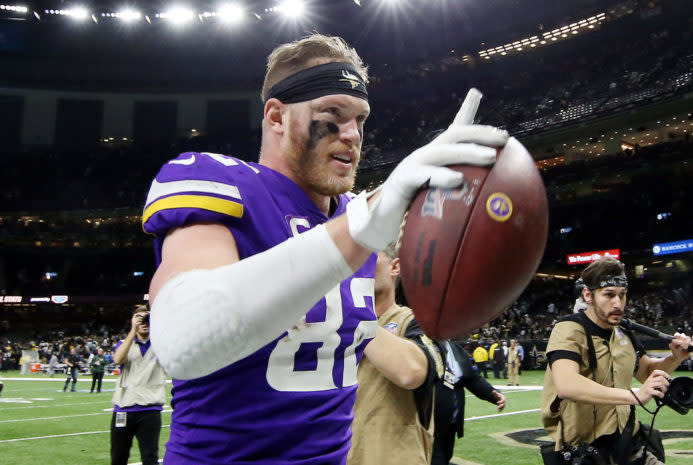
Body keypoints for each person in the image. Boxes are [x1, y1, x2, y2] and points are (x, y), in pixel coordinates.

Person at [142, 33, 509, 465]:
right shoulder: (218, 182)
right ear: (277, 117)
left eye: (360, 119)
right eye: (331, 114)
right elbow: (183, 340)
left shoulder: (356, 215)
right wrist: (365, 223)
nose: (352, 134)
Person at [540, 257, 693, 465]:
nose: (618, 304)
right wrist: (635, 396)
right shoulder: (568, 328)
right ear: (588, 295)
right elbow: (567, 385)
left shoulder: (624, 332)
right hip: (586, 451)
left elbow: (646, 372)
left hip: (628, 444)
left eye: (622, 295)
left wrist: (675, 357)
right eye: (609, 295)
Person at [348, 247, 443, 465]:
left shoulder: (416, 321)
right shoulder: (332, 326)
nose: (358, 263)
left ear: (395, 267)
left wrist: (354, 314)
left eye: (369, 254)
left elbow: (411, 372)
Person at [432, 340, 506, 465]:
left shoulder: (454, 348)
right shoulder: (421, 344)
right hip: (428, 421)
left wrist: (492, 393)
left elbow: (470, 377)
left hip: (451, 420)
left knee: (445, 456)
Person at [111, 306, 166, 465]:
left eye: (147, 319)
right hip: (124, 407)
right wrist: (132, 331)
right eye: (139, 319)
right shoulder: (124, 343)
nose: (144, 323)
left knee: (150, 458)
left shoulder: (161, 344)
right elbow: (117, 360)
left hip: (150, 408)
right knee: (118, 457)